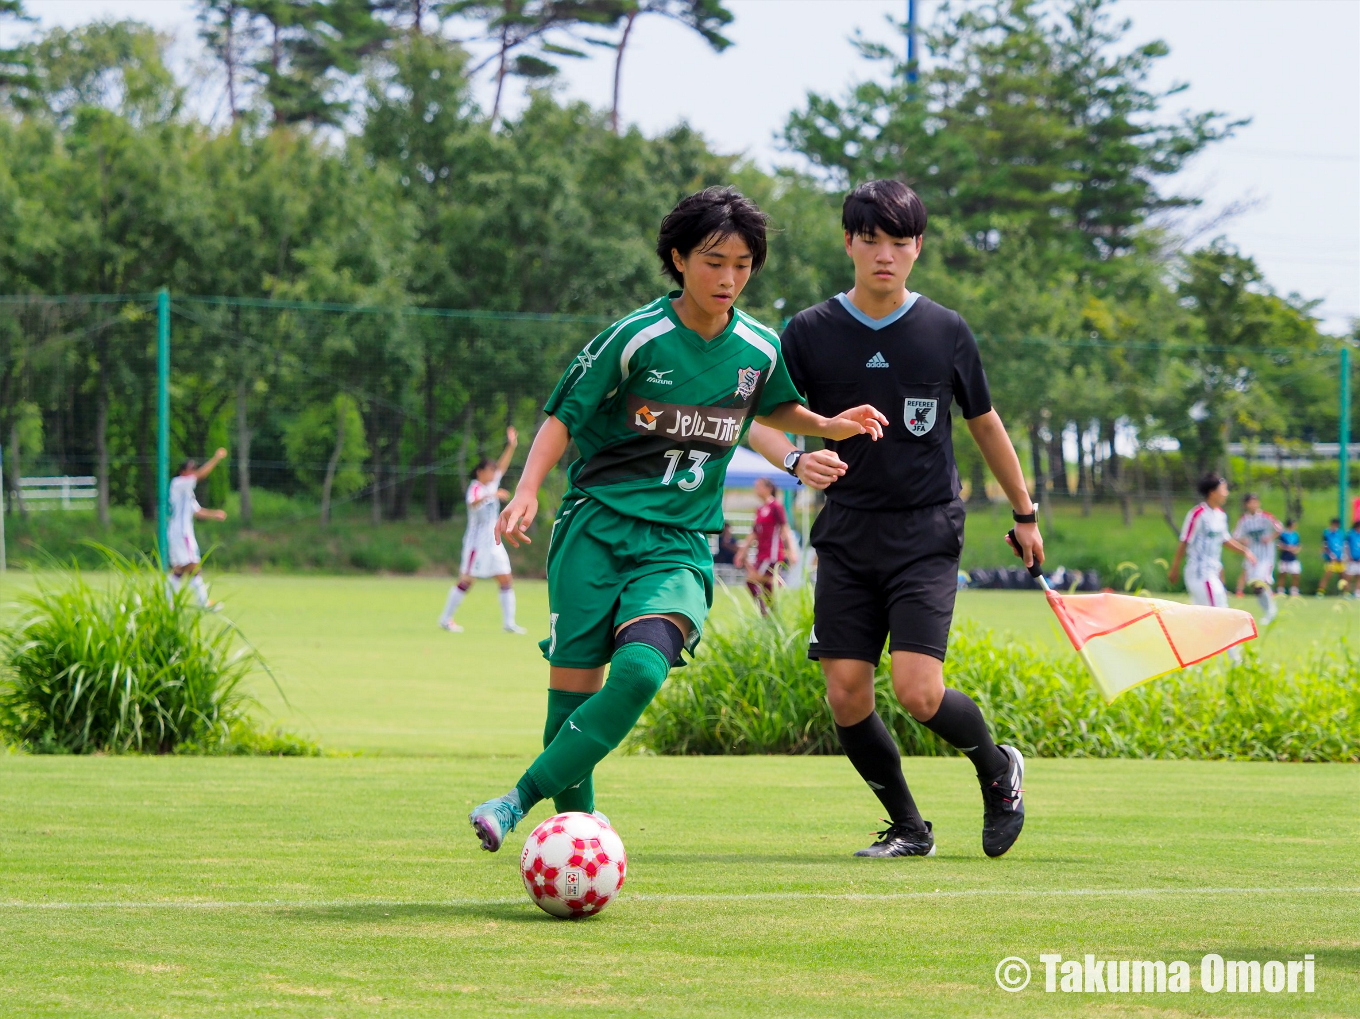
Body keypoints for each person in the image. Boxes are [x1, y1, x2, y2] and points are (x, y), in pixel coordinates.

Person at [467, 187, 888, 852]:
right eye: (714, 260)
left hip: (679, 542)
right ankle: (576, 845)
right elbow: (563, 416)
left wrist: (820, 433)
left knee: (638, 671)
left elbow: (773, 412)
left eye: (744, 264)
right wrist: (525, 490)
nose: (729, 278)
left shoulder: (758, 346)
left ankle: (516, 799)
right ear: (679, 257)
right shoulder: (636, 337)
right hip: (593, 529)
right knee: (572, 700)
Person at [747, 179, 1041, 860]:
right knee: (847, 696)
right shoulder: (810, 331)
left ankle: (999, 770)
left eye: (900, 241)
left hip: (925, 532)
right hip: (846, 533)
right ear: (848, 242)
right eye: (871, 239)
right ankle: (909, 826)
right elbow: (759, 422)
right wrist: (797, 459)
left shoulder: (945, 330)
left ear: (918, 248)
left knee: (917, 690)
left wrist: (1025, 512)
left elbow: (988, 427)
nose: (886, 253)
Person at [439, 427, 523, 633]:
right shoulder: (476, 487)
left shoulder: (492, 483)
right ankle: (445, 619)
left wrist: (511, 445)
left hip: (493, 543)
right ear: (480, 471)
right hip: (476, 544)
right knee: (466, 580)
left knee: (506, 579)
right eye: (490, 470)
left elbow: (503, 466)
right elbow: (473, 503)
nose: (494, 473)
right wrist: (492, 496)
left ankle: (509, 623)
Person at [1168, 473, 1255, 612]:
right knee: (1218, 613)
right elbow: (1185, 541)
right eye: (1224, 489)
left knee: (1207, 616)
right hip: (1200, 573)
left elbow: (1225, 539)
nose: (1226, 493)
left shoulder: (1220, 515)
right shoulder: (1198, 514)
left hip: (1212, 573)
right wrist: (1175, 567)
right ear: (1212, 492)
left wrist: (1245, 551)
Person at [167, 448, 228, 608]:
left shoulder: (188, 492)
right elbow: (201, 475)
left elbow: (198, 511)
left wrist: (215, 514)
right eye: (191, 469)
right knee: (194, 566)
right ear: (182, 472)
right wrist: (216, 458)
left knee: (179, 570)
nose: (193, 472)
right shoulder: (178, 483)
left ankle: (167, 603)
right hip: (181, 533)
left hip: (181, 532)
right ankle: (203, 603)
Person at [736, 477, 798, 613]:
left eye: (759, 486)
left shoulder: (776, 506)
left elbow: (785, 528)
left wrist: (792, 551)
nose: (756, 489)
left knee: (752, 580)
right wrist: (741, 552)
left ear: (769, 488)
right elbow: (754, 533)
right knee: (763, 583)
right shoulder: (760, 509)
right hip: (761, 553)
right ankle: (770, 613)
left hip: (772, 553)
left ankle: (777, 588)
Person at [1232, 492, 1281, 623]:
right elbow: (1235, 536)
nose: (1253, 504)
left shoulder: (1266, 516)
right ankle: (1269, 612)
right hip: (1252, 557)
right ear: (1246, 504)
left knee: (1260, 581)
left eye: (1255, 501)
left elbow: (1279, 528)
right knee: (1255, 585)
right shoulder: (1244, 520)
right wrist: (1244, 541)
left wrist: (1270, 538)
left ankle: (1271, 611)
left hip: (1266, 556)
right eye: (1250, 502)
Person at [1318, 518, 1344, 597]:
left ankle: (1344, 592)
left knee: (1342, 576)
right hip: (1330, 559)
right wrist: (1330, 555)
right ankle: (1320, 592)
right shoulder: (1327, 533)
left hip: (1339, 559)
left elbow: (1342, 545)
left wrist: (1343, 555)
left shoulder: (1340, 533)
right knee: (1328, 575)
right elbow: (1325, 545)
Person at [1276, 519, 1302, 597]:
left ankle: (1294, 590)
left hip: (1293, 558)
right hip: (1284, 557)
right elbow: (1279, 545)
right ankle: (1280, 590)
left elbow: (1298, 545)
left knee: (1296, 574)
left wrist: (1295, 549)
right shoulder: (1283, 534)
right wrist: (1287, 548)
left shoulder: (1296, 534)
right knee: (1282, 574)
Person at [1344, 519, 1360, 599]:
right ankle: (1346, 592)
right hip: (1352, 559)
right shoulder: (1351, 534)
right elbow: (1346, 546)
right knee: (1349, 577)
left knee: (1359, 577)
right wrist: (1348, 556)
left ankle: (1357, 592)